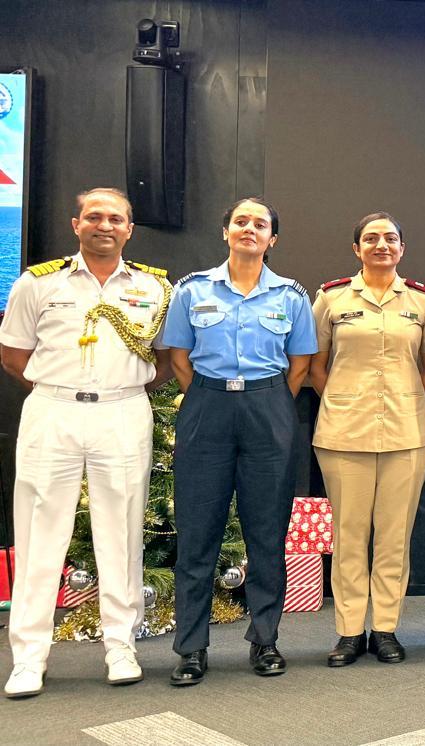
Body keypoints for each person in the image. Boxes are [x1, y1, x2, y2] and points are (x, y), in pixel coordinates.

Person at [2, 188, 172, 698]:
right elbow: (13, 353)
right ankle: (29, 656)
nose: (105, 225)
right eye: (94, 216)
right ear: (76, 224)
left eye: (115, 218)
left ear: (129, 230)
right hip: (52, 409)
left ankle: (120, 645)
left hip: (122, 412)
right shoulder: (39, 283)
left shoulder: (154, 288)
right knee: (38, 531)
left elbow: (165, 359)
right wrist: (61, 390)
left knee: (121, 530)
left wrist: (117, 391)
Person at [163, 198, 316, 685]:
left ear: (273, 239)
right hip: (206, 406)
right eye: (241, 222)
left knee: (268, 531)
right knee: (198, 532)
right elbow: (179, 358)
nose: (250, 229)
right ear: (225, 230)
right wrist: (214, 398)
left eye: (261, 224)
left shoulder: (291, 297)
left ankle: (265, 639)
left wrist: (262, 401)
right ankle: (191, 648)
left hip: (268, 408)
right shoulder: (192, 290)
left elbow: (300, 367)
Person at [310, 212, 425, 666]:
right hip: (343, 433)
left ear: (401, 248)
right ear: (356, 249)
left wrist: (402, 401)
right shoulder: (330, 298)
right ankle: (349, 632)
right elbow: (316, 366)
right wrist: (350, 400)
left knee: (393, 537)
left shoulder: (423, 301)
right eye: (371, 238)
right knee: (348, 536)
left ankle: (385, 628)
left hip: (406, 433)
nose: (381, 244)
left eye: (390, 238)